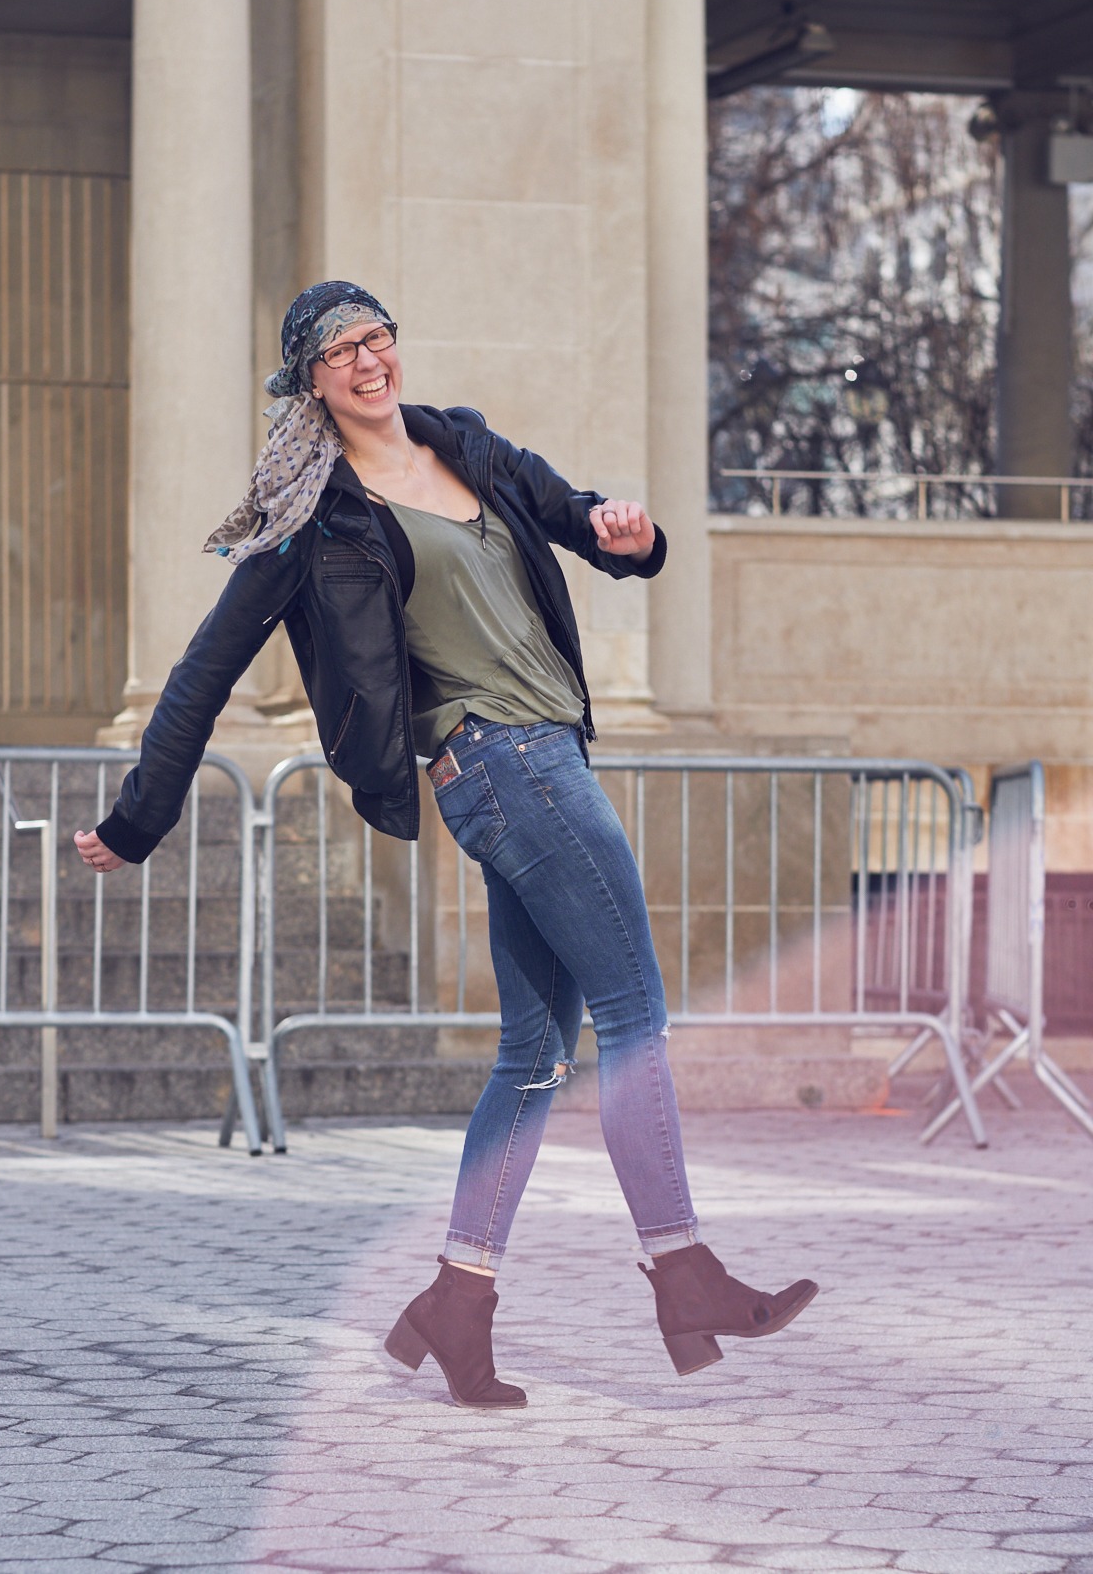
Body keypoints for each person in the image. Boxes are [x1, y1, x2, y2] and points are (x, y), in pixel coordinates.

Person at [74, 280, 817, 1409]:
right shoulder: (314, 518)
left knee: (536, 1053)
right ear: (311, 383)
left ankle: (458, 1300)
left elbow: (584, 519)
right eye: (342, 351)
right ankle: (684, 1270)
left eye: (379, 338)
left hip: (540, 761)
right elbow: (200, 672)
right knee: (635, 1017)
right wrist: (139, 822)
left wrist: (637, 536)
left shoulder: (461, 444)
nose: (370, 360)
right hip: (505, 765)